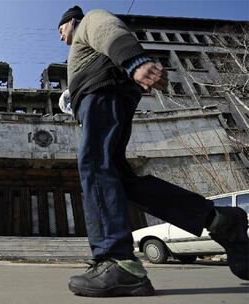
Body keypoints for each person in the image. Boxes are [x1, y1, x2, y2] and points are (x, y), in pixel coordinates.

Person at [57, 5, 249, 297]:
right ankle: (220, 220)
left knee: (95, 164)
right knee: (120, 181)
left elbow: (106, 27)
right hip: (98, 99)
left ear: (71, 22)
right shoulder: (78, 47)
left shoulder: (88, 22)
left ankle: (118, 262)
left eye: (61, 30)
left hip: (103, 95)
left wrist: (134, 60)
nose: (61, 37)